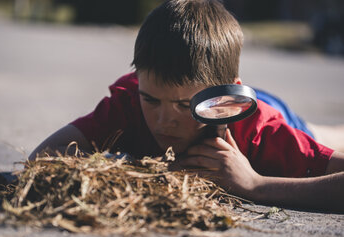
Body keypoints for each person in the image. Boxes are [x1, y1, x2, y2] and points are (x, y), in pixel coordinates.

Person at [29, 0, 344, 212]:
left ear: (226, 92)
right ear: (138, 80)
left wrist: (255, 185)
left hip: (262, 109)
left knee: (323, 135)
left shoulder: (259, 129)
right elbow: (41, 158)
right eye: (152, 100)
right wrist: (143, 173)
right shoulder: (128, 103)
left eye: (183, 105)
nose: (165, 121)